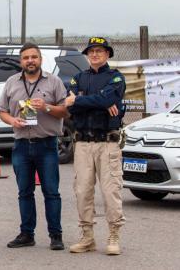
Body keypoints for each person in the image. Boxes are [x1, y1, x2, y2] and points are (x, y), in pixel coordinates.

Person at [0, 42, 68, 250]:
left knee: (51, 192)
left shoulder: (54, 82)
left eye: (34, 57)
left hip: (46, 144)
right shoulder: (11, 82)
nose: (30, 61)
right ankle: (27, 234)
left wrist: (46, 107)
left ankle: (56, 235)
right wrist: (12, 121)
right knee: (24, 192)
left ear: (40, 59)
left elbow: (65, 112)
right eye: (26, 57)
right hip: (21, 145)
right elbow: (2, 111)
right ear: (21, 61)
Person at [65, 37, 126, 255]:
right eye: (91, 51)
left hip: (107, 144)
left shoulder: (116, 78)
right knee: (82, 191)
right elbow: (70, 108)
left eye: (100, 51)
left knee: (111, 192)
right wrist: (99, 101)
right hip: (82, 143)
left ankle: (113, 235)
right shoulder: (77, 78)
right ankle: (87, 237)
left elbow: (101, 100)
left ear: (108, 54)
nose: (95, 55)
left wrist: (81, 100)